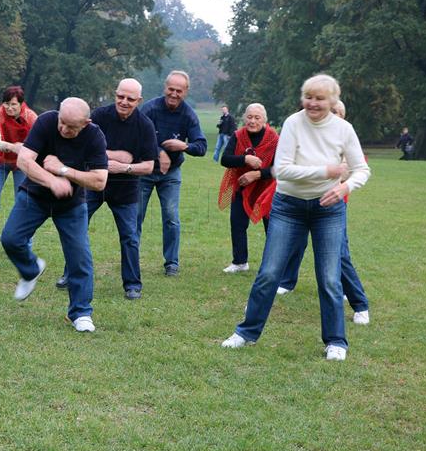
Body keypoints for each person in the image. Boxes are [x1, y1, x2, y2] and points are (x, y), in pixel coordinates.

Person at [221, 74, 370, 361]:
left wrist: (345, 187)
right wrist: (325, 172)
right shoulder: (293, 123)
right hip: (288, 207)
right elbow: (282, 170)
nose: (312, 103)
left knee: (329, 277)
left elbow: (361, 169)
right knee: (269, 272)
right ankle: (246, 332)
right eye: (308, 97)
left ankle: (336, 341)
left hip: (328, 210)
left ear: (333, 101)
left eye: (320, 98)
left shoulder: (344, 129)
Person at [0, 98, 108, 332]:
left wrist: (62, 171)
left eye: (71, 127)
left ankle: (80, 313)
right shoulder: (46, 121)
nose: (63, 129)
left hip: (71, 204)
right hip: (35, 195)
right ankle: (31, 270)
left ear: (85, 123)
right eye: (62, 122)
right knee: (10, 239)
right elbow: (24, 160)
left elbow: (100, 181)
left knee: (79, 257)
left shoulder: (94, 135)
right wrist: (51, 180)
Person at [54, 80, 158, 300]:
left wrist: (124, 167)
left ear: (139, 101)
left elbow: (149, 166)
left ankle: (132, 284)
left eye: (130, 99)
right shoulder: (99, 117)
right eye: (121, 96)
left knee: (130, 236)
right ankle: (69, 274)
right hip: (92, 183)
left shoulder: (145, 125)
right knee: (77, 229)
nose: (124, 102)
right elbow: (82, 146)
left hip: (126, 189)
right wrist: (119, 155)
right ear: (115, 94)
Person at [273, 100, 371, 325]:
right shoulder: (306, 132)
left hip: (332, 206)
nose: (332, 115)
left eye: (337, 112)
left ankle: (359, 303)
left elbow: (349, 172)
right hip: (300, 202)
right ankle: (286, 282)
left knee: (340, 255)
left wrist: (330, 175)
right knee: (295, 245)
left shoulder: (344, 138)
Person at [138, 70, 207, 276]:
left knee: (171, 217)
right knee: (135, 216)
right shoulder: (149, 109)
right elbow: (136, 137)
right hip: (145, 170)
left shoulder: (188, 115)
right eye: (171, 89)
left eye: (179, 90)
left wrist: (183, 146)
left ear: (185, 92)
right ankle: (131, 259)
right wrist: (159, 152)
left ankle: (172, 263)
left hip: (171, 174)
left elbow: (201, 146)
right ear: (164, 88)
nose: (174, 94)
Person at [217, 103, 279, 273]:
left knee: (272, 228)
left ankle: (273, 265)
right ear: (244, 118)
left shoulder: (274, 139)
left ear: (264, 120)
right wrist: (245, 159)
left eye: (257, 117)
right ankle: (240, 262)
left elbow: (279, 168)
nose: (252, 121)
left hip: (267, 189)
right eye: (249, 117)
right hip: (242, 187)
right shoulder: (238, 135)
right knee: (237, 224)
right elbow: (225, 159)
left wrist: (256, 174)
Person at [0, 85, 38, 250]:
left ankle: (25, 242)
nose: (9, 108)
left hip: (22, 164)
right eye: (6, 103)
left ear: (21, 104)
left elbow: (40, 140)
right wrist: (14, 147)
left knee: (24, 202)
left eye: (13, 104)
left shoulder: (31, 117)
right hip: (0, 161)